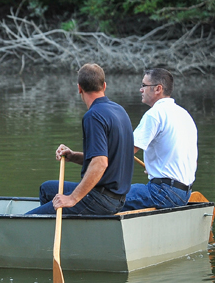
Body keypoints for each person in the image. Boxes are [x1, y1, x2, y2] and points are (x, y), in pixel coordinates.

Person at [28, 63, 135, 215]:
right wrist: (72, 156)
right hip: (118, 198)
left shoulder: (93, 116)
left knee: (28, 219)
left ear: (79, 88)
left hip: (100, 199)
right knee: (47, 189)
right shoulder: (119, 110)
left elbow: (100, 163)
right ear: (104, 86)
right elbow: (107, 159)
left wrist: (72, 199)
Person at [121, 68, 198, 210]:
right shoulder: (184, 114)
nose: (141, 90)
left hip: (163, 192)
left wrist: (97, 164)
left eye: (144, 85)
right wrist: (156, 170)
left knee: (106, 198)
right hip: (184, 193)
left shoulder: (154, 114)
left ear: (158, 89)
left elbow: (126, 152)